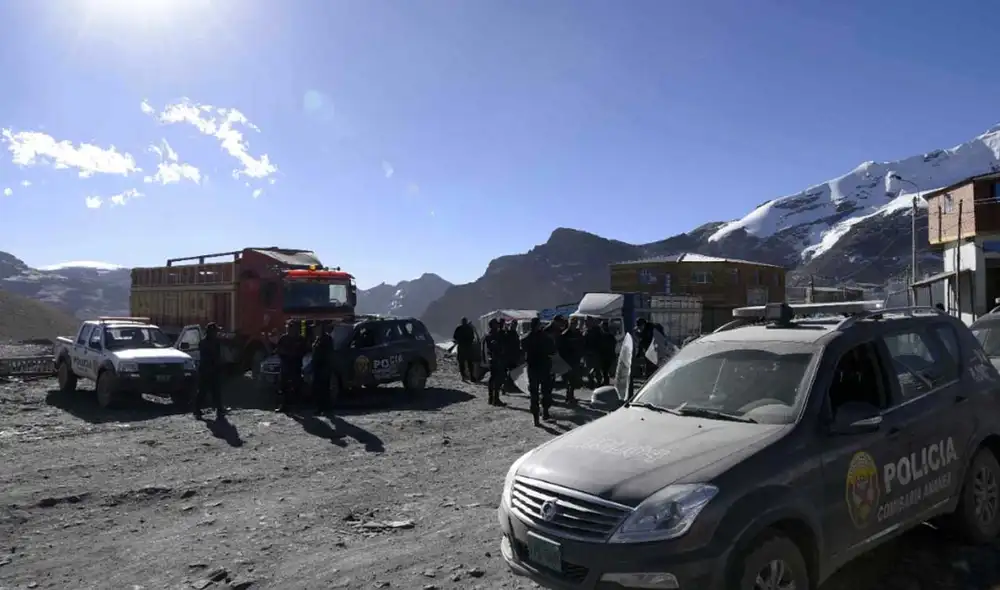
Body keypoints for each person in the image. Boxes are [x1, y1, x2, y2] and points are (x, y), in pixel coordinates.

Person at [523, 317, 556, 426]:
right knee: (544, 392)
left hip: (533, 368)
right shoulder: (545, 338)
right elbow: (552, 351)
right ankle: (544, 414)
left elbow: (522, 350)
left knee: (535, 394)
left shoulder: (526, 338)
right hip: (543, 367)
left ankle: (537, 417)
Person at [194, 322, 223, 420]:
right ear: (211, 332)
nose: (216, 333)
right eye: (215, 331)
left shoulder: (206, 342)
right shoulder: (207, 343)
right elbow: (213, 357)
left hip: (209, 370)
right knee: (204, 391)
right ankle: (197, 409)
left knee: (215, 391)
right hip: (207, 370)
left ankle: (219, 410)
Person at [276, 321, 305, 413]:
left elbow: (304, 351)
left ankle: (297, 406)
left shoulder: (300, 339)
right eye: (288, 327)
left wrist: (295, 354)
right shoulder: (283, 338)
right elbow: (278, 350)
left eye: (291, 327)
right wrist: (285, 354)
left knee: (296, 386)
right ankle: (283, 405)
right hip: (285, 365)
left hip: (295, 366)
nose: (289, 329)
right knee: (283, 387)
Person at [558, 317, 583, 406]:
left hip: (576, 360)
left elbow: (581, 345)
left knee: (573, 380)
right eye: (572, 323)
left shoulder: (578, 334)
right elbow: (561, 348)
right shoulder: (565, 334)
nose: (574, 325)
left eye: (575, 323)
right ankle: (568, 397)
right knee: (568, 379)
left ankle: (570, 396)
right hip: (567, 360)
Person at [484, 319, 508, 407]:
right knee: (498, 379)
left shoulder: (489, 334)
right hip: (496, 359)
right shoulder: (493, 335)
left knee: (492, 379)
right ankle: (496, 399)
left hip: (493, 359)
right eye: (496, 324)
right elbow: (502, 340)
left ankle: (491, 398)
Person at [311, 324, 334, 413]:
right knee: (318, 388)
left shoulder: (327, 338)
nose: (315, 330)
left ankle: (326, 408)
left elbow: (328, 353)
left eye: (316, 328)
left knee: (324, 388)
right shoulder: (318, 338)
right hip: (317, 366)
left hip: (324, 366)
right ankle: (320, 407)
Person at [450, 318, 477, 382]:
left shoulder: (459, 328)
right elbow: (472, 337)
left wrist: (459, 341)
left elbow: (455, 337)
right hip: (468, 347)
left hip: (461, 347)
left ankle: (463, 376)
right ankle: (471, 377)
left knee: (462, 363)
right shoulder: (469, 328)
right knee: (470, 363)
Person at [583, 318, 604, 388]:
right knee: (588, 370)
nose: (586, 323)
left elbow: (601, 341)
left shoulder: (597, 330)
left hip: (595, 352)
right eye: (585, 321)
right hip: (588, 353)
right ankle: (591, 383)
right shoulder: (585, 330)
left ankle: (599, 382)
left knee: (597, 369)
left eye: (588, 321)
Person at [502, 320, 521, 393]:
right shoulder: (509, 333)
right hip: (510, 356)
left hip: (513, 355)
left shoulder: (513, 333)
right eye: (514, 325)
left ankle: (508, 386)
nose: (515, 326)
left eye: (515, 325)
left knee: (513, 372)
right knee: (511, 372)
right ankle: (506, 386)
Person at [600, 320, 616, 386]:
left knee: (605, 371)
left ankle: (605, 382)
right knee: (605, 371)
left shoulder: (603, 336)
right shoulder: (610, 336)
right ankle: (605, 381)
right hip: (608, 355)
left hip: (605, 356)